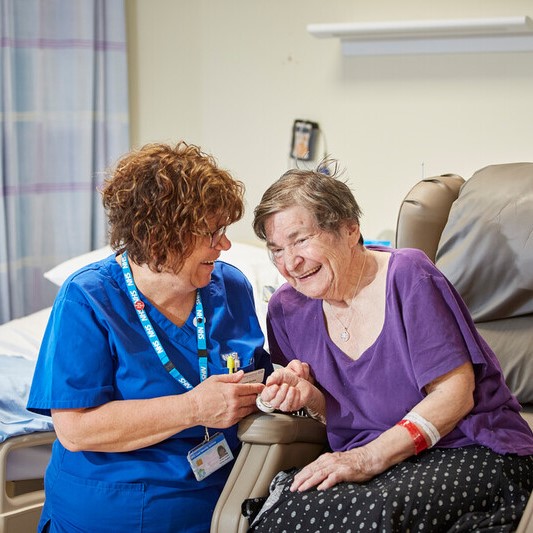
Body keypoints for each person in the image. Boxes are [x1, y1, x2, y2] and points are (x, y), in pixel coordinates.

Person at [248, 162, 533, 532]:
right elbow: (340, 412)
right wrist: (305, 398)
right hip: (376, 463)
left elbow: (455, 396)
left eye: (301, 240)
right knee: (280, 516)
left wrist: (367, 459)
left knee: (368, 516)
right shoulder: (286, 309)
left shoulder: (408, 276)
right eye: (276, 250)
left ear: (350, 230)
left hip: (469, 447)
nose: (290, 263)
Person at [28, 142, 273, 533]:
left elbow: (258, 379)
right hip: (114, 506)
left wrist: (282, 388)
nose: (224, 244)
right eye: (212, 233)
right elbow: (75, 429)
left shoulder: (231, 287)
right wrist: (193, 409)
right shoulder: (88, 298)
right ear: (160, 238)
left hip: (226, 500)